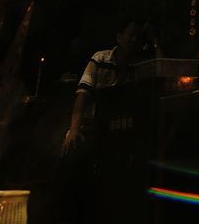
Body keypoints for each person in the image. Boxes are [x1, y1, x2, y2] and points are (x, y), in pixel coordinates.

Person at [62, 19, 153, 156]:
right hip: (92, 125)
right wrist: (74, 129)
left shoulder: (137, 68)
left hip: (118, 127)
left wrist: (155, 41)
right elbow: (83, 93)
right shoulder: (100, 59)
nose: (134, 40)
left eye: (138, 37)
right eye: (131, 35)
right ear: (119, 37)